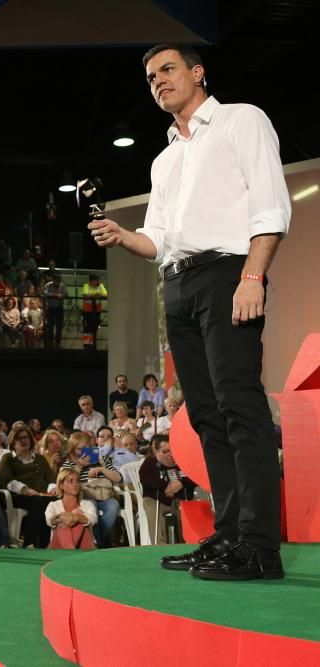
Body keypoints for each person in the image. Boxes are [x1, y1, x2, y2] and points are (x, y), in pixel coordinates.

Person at [90, 43, 289, 580]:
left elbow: (271, 205)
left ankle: (260, 548)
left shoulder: (240, 121)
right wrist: (124, 236)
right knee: (205, 417)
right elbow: (158, 238)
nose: (158, 81)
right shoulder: (165, 158)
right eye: (151, 76)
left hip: (228, 275)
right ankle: (227, 537)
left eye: (168, 69)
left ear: (198, 72)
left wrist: (252, 276)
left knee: (240, 408)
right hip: (177, 288)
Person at [0, 425, 56, 548]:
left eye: (26, 437)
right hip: (17, 496)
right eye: (19, 438)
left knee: (52, 501)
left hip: (40, 495)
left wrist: (52, 489)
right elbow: (6, 480)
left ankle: (47, 543)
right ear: (13, 442)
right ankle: (30, 542)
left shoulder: (40, 459)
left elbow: (50, 478)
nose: (24, 440)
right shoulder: (8, 458)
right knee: (37, 501)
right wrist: (25, 489)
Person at [60, 431, 122, 548]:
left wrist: (101, 469)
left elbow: (118, 478)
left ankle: (99, 541)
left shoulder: (102, 459)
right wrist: (79, 466)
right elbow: (65, 483)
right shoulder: (68, 464)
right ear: (72, 450)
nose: (84, 452)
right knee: (91, 509)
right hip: (84, 497)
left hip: (104, 495)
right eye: (80, 449)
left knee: (113, 506)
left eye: (87, 448)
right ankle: (102, 544)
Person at [140, 435, 197, 545]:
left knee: (187, 508)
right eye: (165, 451)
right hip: (157, 500)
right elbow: (145, 479)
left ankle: (189, 544)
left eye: (172, 450)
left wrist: (181, 483)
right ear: (156, 451)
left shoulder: (183, 460)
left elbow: (195, 477)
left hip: (180, 500)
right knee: (149, 504)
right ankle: (159, 546)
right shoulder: (150, 462)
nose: (170, 454)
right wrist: (165, 486)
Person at [46, 468, 98, 550]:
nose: (75, 484)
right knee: (62, 523)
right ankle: (70, 552)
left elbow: (92, 520)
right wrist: (60, 517)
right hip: (58, 546)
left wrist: (76, 517)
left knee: (80, 522)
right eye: (70, 481)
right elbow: (49, 521)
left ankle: (69, 552)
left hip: (84, 545)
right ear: (61, 485)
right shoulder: (53, 505)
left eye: (77, 481)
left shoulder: (87, 504)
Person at [79, 274, 106, 350]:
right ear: (92, 280)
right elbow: (85, 294)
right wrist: (95, 295)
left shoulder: (100, 285)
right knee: (87, 328)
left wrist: (93, 295)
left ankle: (93, 345)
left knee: (94, 328)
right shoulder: (86, 285)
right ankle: (87, 346)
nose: (98, 281)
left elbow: (105, 294)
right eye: (96, 280)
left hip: (97, 311)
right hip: (87, 311)